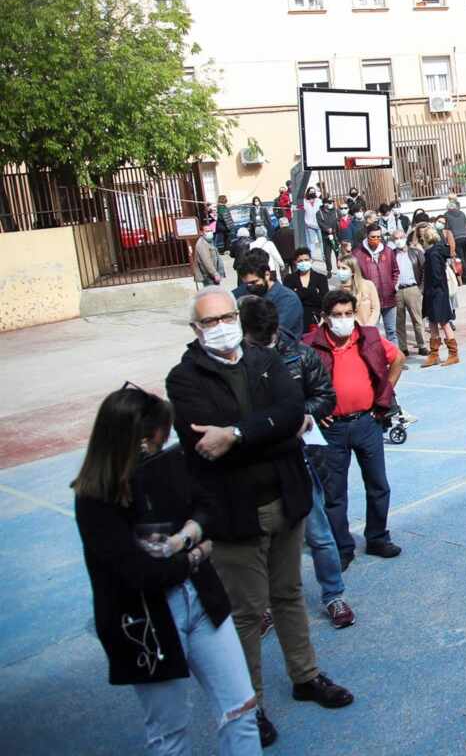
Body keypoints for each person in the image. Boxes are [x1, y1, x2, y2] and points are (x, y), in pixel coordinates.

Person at [165, 288, 353, 746]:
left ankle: (305, 675)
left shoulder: (263, 359)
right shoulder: (184, 378)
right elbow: (203, 444)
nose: (222, 326)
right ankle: (254, 705)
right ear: (196, 329)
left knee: (287, 593)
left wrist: (236, 432)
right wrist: (265, 429)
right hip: (234, 512)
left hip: (283, 500)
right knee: (247, 612)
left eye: (227, 317)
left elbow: (292, 413)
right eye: (210, 321)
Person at [74, 384, 263, 754]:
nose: (156, 451)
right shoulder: (95, 500)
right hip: (146, 622)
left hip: (202, 602)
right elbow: (141, 573)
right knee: (169, 731)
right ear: (127, 441)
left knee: (241, 708)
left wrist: (185, 537)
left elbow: (207, 506)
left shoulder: (166, 465)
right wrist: (194, 553)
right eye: (150, 443)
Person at [238, 298, 353, 630]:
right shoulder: (238, 362)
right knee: (260, 539)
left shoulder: (300, 354)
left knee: (318, 533)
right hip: (259, 459)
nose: (257, 344)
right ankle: (263, 606)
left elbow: (325, 396)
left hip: (301, 454)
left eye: (263, 338)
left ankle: (334, 594)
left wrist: (302, 414)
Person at [302, 290, 404, 570]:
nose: (344, 320)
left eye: (348, 314)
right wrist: (311, 409)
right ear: (324, 318)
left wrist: (384, 396)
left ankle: (378, 537)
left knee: (378, 483)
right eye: (337, 315)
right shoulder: (310, 345)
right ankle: (342, 547)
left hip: (367, 423)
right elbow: (292, 384)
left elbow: (399, 359)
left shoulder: (369, 337)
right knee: (335, 493)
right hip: (332, 428)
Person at [232, 250, 304, 344]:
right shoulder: (242, 293)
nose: (251, 287)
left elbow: (273, 333)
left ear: (267, 275)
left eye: (254, 282)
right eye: (247, 284)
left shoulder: (288, 299)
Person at [418, 225, 459, 367]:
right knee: (432, 323)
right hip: (435, 292)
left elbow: (435, 276)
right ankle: (434, 354)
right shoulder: (436, 251)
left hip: (436, 293)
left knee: (444, 322)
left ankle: (453, 354)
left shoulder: (433, 254)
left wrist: (429, 288)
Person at [353, 224, 400, 344]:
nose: (376, 239)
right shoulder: (358, 254)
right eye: (373, 237)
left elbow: (395, 271)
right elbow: (355, 276)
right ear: (367, 236)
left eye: (379, 237)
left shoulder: (388, 251)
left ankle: (395, 359)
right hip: (370, 301)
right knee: (372, 333)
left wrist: (393, 286)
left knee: (392, 332)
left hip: (389, 298)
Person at [390, 228, 428, 358]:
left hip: (413, 289)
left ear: (405, 237)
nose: (398, 241)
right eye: (395, 239)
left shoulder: (416, 253)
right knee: (399, 321)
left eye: (400, 237)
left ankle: (422, 345)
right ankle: (403, 347)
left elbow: (424, 271)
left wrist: (421, 289)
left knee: (417, 319)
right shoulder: (391, 254)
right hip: (397, 291)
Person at [283, 246, 329, 329]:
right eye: (300, 261)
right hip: (296, 319)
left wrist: (299, 292)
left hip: (316, 319)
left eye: (306, 260)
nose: (304, 262)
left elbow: (325, 300)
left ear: (311, 260)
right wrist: (313, 292)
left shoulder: (321, 278)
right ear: (295, 262)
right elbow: (288, 300)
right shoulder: (289, 279)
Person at [333, 255, 379, 328]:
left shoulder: (368, 285)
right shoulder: (337, 291)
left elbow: (376, 309)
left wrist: (369, 326)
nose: (340, 271)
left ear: (353, 271)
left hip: (367, 329)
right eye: (338, 268)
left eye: (344, 268)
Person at [444, 198, 466, 285]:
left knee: (460, 258)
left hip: (456, 238)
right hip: (465, 236)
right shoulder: (462, 213)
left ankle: (465, 278)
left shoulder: (446, 215)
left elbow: (446, 228)